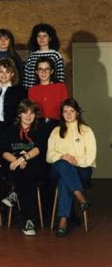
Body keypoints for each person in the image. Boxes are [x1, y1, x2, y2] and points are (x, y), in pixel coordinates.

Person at [46, 98, 96, 237]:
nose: (68, 114)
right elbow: (49, 155)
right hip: (58, 168)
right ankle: (81, 198)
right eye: (65, 111)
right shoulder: (56, 131)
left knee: (64, 180)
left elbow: (91, 156)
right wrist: (63, 157)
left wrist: (75, 161)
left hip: (82, 170)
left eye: (71, 111)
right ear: (61, 114)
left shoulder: (86, 131)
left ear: (77, 112)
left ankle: (62, 221)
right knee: (63, 165)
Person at [1, 99, 48, 236]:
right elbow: (3, 152)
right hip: (14, 167)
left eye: (32, 113)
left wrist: (24, 157)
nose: (29, 116)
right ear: (19, 114)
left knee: (27, 172)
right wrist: (16, 160)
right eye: (25, 112)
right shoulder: (11, 130)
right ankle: (28, 221)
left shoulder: (40, 129)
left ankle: (15, 194)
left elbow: (40, 148)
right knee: (24, 175)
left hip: (35, 167)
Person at [28, 57, 68, 127]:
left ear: (51, 71)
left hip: (58, 125)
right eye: (40, 69)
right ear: (36, 72)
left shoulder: (60, 87)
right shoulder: (32, 90)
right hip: (38, 126)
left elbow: (66, 109)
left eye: (47, 69)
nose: (44, 72)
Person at [23, 23, 65, 89]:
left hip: (51, 90)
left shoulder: (56, 55)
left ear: (50, 38)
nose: (41, 38)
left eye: (45, 36)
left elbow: (60, 78)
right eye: (39, 36)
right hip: (34, 91)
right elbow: (26, 79)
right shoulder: (31, 56)